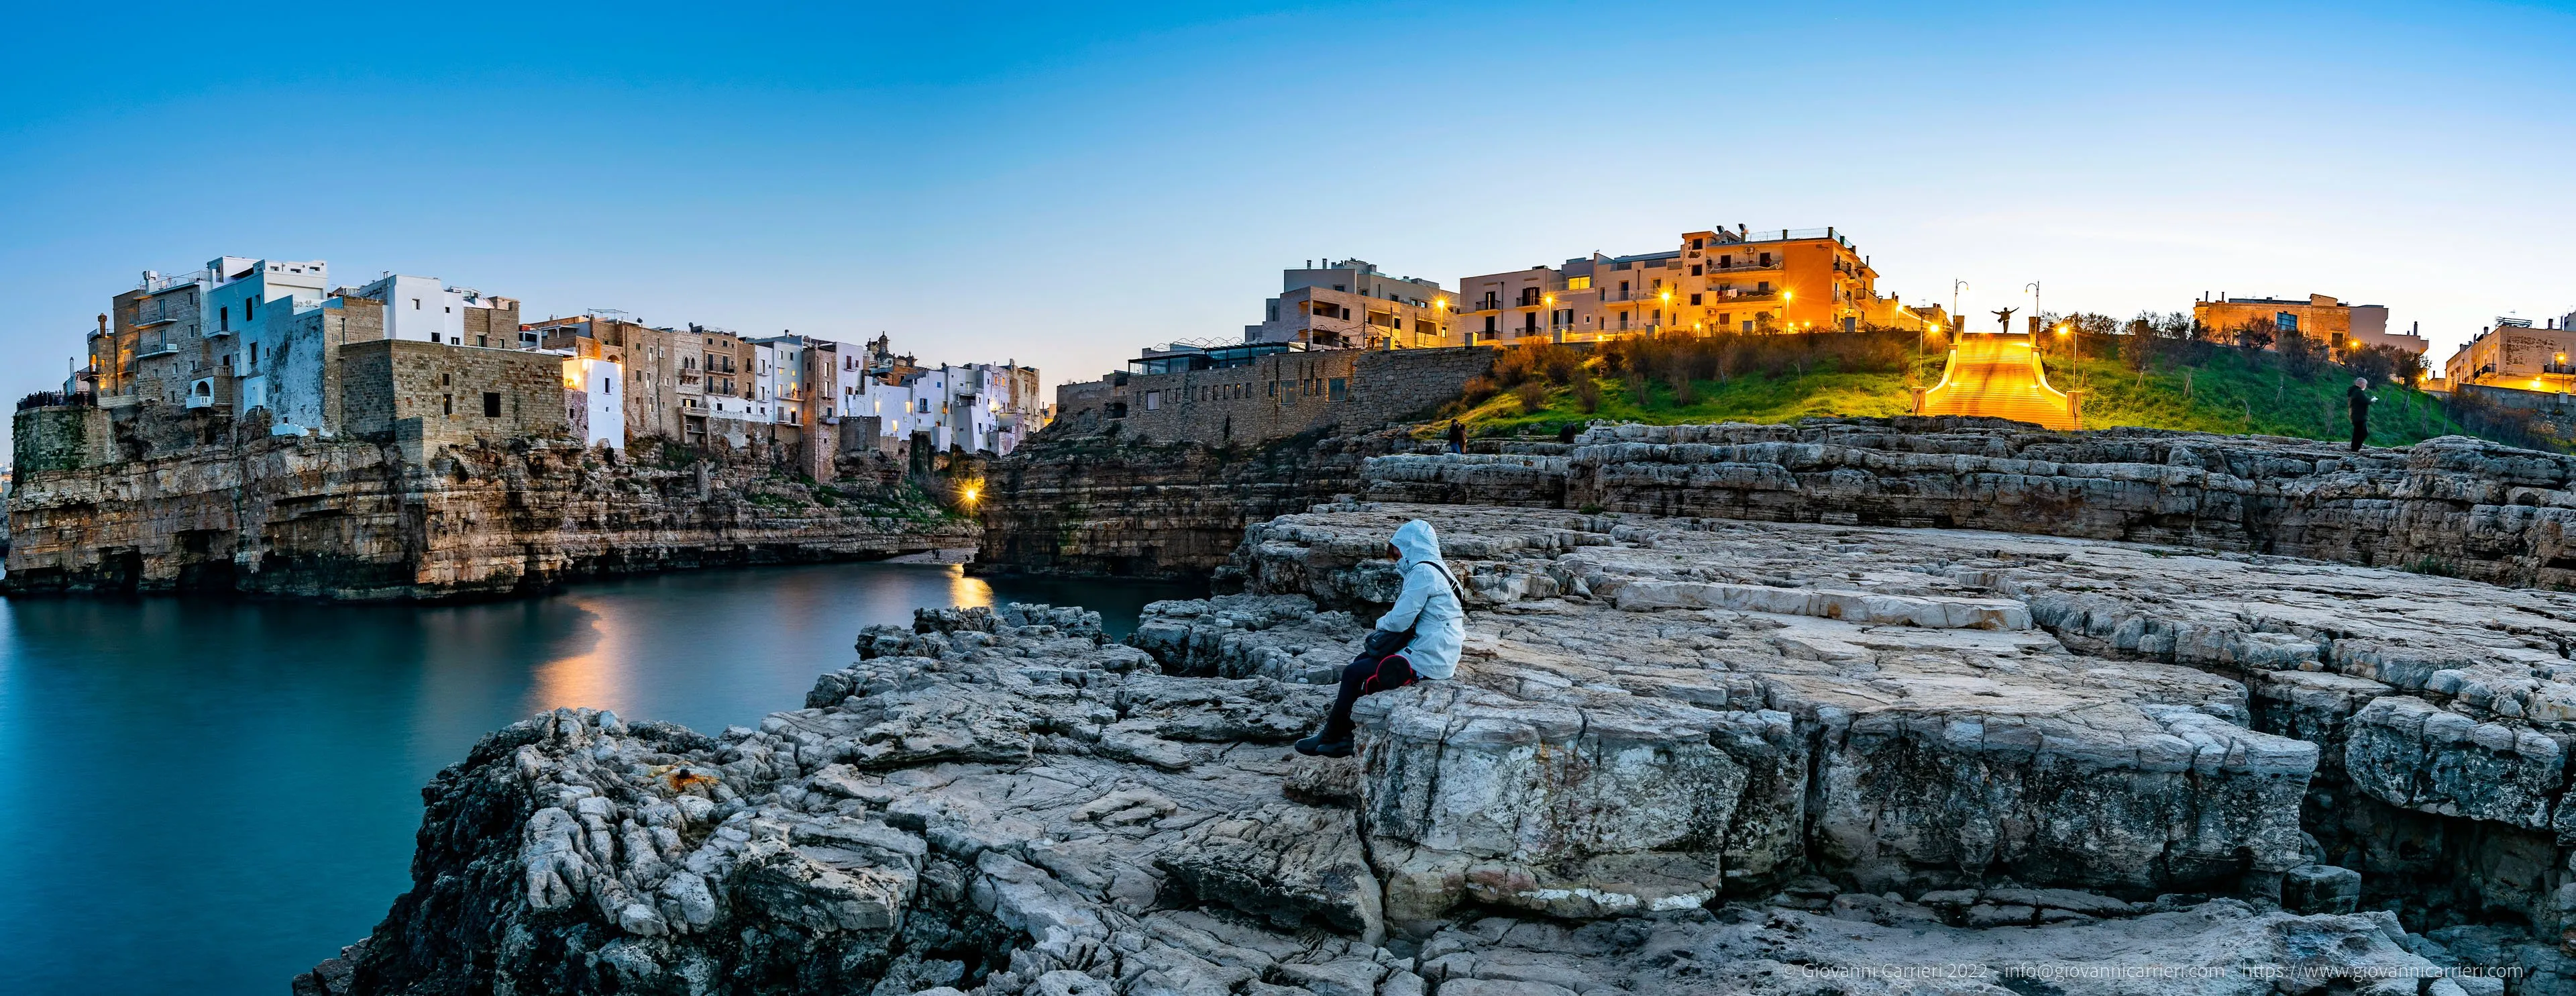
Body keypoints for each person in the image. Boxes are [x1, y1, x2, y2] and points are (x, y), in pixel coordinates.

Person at [1296, 519, 1464, 758]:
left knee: (1353, 673)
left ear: (1409, 545)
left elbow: (1400, 620)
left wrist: (1379, 625)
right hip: (1439, 649)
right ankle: (1343, 737)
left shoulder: (1423, 572)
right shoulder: (1438, 569)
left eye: (1397, 547)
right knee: (1362, 661)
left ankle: (1332, 736)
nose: (1395, 553)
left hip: (1429, 655)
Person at [2347, 376, 2373, 452]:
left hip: (2354, 416)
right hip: (2359, 416)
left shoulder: (2353, 392)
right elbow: (2366, 401)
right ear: (2361, 384)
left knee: (2357, 433)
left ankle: (2354, 448)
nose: (2366, 386)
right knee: (2363, 433)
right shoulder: (2359, 392)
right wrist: (2371, 400)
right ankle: (2355, 449)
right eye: (2365, 384)